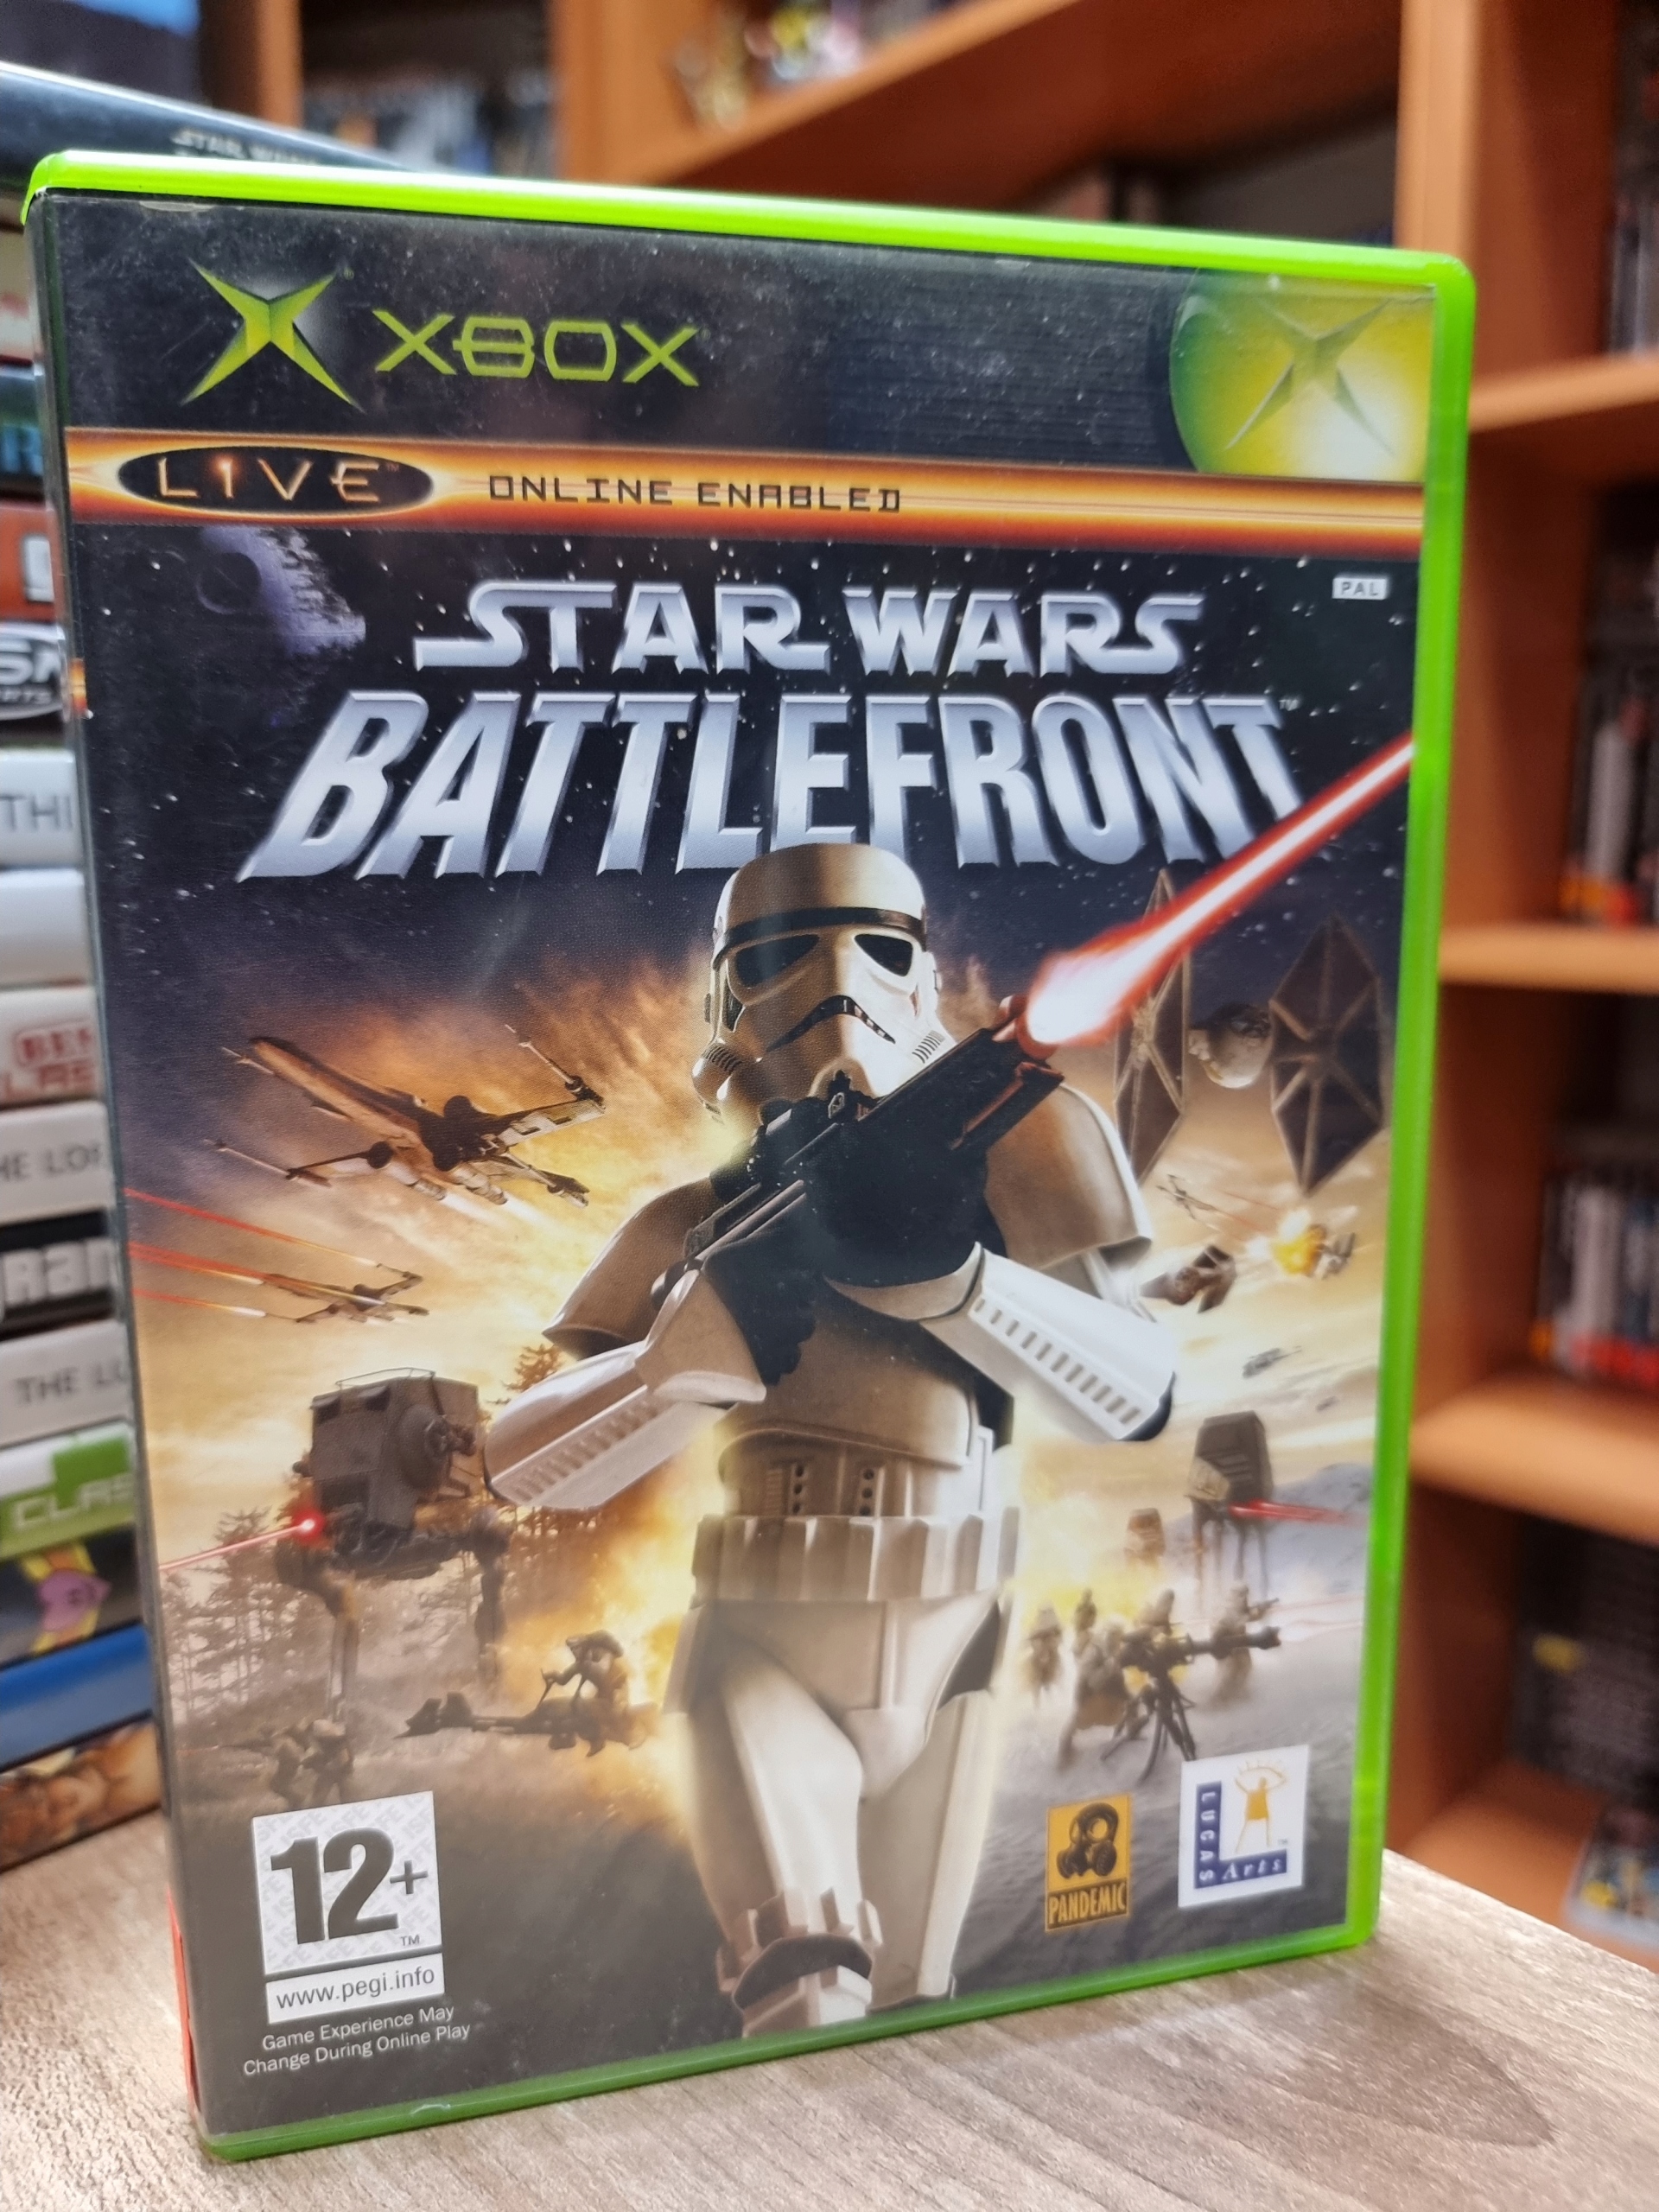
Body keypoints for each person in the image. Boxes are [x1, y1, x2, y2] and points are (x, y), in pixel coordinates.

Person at [486, 843, 1176, 2036]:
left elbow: (1137, 1393)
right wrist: (676, 1364)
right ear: (727, 998)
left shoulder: (1018, 1141)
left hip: (957, 1634)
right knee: (804, 1994)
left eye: (880, 947)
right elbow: (519, 1462)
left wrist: (960, 1280)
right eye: (779, 958)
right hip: (764, 1639)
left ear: (924, 975)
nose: (837, 986)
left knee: (912, 2016)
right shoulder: (691, 1222)